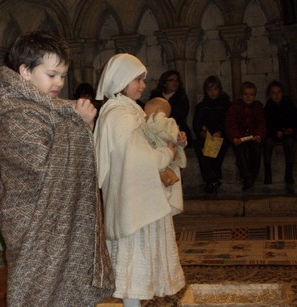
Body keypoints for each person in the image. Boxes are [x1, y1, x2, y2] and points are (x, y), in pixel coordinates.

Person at [0, 31, 114, 306]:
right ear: (25, 71)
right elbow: (38, 169)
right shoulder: (18, 112)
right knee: (37, 293)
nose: (59, 82)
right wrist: (79, 126)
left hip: (61, 219)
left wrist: (82, 126)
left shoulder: (55, 110)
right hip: (34, 223)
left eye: (63, 75)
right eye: (52, 74)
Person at [94, 53, 186, 307]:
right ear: (122, 79)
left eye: (143, 80)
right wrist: (164, 154)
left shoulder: (131, 111)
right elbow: (133, 157)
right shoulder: (118, 115)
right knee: (133, 260)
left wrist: (173, 143)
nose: (143, 85)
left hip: (141, 196)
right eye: (138, 79)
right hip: (132, 200)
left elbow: (147, 143)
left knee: (140, 258)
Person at [144, 97, 187, 203]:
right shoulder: (148, 123)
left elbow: (173, 136)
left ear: (159, 112)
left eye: (148, 111)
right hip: (158, 160)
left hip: (167, 159)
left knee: (165, 194)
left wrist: (180, 140)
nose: (145, 114)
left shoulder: (166, 123)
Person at [225, 81, 267, 191]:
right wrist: (235, 136)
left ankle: (253, 173)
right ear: (241, 95)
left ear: (255, 96)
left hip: (253, 136)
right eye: (245, 94)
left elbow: (261, 123)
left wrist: (258, 135)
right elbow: (231, 124)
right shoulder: (235, 108)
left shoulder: (258, 107)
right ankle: (246, 176)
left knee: (256, 150)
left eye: (251, 95)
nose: (248, 97)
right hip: (240, 137)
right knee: (240, 151)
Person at [193, 76, 231, 193]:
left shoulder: (226, 104)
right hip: (207, 136)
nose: (213, 93)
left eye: (215, 89)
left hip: (222, 135)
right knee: (200, 146)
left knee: (219, 147)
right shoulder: (201, 106)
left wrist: (221, 132)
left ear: (219, 89)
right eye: (210, 90)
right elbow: (196, 124)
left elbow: (229, 121)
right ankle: (211, 179)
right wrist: (202, 131)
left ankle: (213, 179)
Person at [263, 80, 296, 184]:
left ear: (283, 93)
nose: (277, 95)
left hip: (287, 133)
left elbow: (294, 118)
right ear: (269, 95)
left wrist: (291, 129)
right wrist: (275, 131)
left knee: (289, 143)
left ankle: (289, 173)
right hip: (274, 133)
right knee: (268, 143)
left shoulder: (288, 104)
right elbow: (267, 122)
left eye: (279, 92)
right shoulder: (268, 107)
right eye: (273, 93)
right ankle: (267, 173)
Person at [150, 70, 192, 146]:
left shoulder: (182, 97)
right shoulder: (155, 96)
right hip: (158, 132)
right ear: (164, 83)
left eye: (177, 80)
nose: (175, 83)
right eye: (171, 80)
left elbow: (180, 115)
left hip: (178, 130)